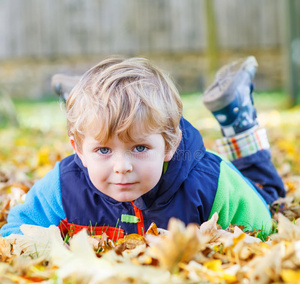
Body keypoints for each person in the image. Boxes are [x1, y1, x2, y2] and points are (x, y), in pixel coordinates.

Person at [0, 56, 285, 240]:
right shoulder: (64, 186)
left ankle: (238, 117)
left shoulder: (211, 182)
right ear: (79, 151)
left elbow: (261, 226)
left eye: (139, 148)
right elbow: (16, 232)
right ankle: (95, 104)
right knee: (118, 121)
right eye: (103, 150)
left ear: (170, 146)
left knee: (270, 196)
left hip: (233, 178)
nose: (122, 166)